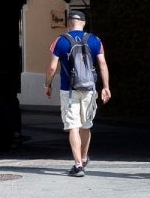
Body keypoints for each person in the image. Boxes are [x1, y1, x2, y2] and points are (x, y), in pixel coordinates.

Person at [44, 10, 111, 177]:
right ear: (84, 23)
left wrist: (47, 84)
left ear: (69, 23)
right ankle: (84, 157)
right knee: (86, 125)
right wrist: (106, 86)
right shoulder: (95, 40)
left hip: (69, 90)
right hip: (90, 90)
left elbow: (52, 67)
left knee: (73, 126)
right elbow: (102, 64)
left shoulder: (60, 41)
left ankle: (78, 165)